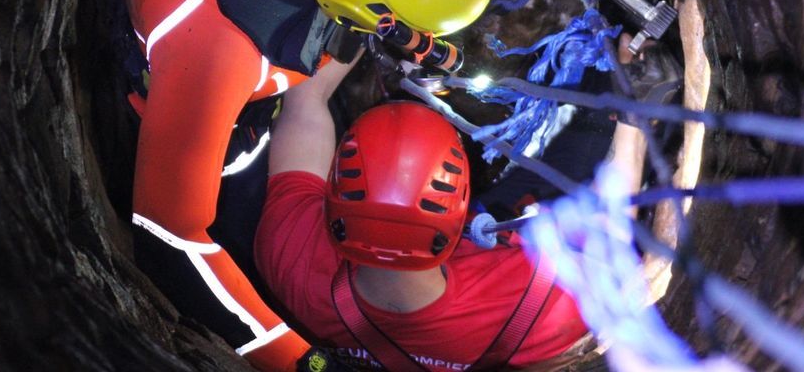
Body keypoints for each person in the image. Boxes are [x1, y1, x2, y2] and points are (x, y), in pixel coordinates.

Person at [124, 0, 556, 370]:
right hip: (199, 83)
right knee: (241, 162)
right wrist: (295, 360)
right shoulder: (209, 55)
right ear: (358, 15)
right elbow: (169, 232)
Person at [254, 57, 599, 371]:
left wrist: (357, 14)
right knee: (572, 156)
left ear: (336, 197)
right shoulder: (549, 302)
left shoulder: (290, 255)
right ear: (461, 214)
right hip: (508, 304)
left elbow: (304, 105)